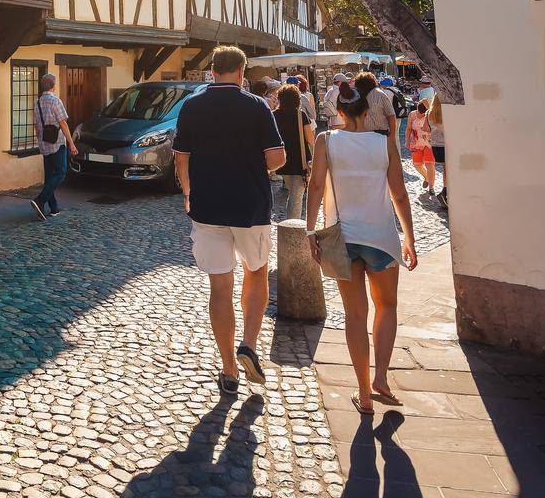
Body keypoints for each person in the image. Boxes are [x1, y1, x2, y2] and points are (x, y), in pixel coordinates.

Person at [174, 44, 286, 398]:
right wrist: (251, 166)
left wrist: (190, 192)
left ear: (212, 70)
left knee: (219, 288)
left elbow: (181, 159)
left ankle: (228, 369)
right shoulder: (256, 106)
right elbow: (278, 157)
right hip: (250, 206)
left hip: (207, 207)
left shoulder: (192, 106)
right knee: (255, 272)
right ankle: (249, 345)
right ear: (241, 71)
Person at [304, 77, 417, 415]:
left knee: (355, 315)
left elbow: (316, 187)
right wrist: (409, 238)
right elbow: (399, 194)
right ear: (367, 110)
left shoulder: (326, 141)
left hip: (343, 238)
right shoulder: (384, 143)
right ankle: (381, 378)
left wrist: (311, 232)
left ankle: (364, 392)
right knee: (388, 307)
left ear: (338, 111)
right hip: (380, 236)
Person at [31, 72, 78, 220]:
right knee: (61, 173)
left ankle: (54, 207)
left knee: (50, 176)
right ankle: (40, 200)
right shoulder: (55, 101)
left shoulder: (37, 103)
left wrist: (40, 141)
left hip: (44, 143)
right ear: (53, 86)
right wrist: (71, 143)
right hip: (57, 143)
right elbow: (63, 123)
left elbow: (36, 126)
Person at [272, 84, 315, 220]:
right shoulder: (300, 115)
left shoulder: (274, 115)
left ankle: (291, 225)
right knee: (296, 198)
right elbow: (310, 139)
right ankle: (293, 229)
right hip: (300, 162)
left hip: (282, 160)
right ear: (297, 99)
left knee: (293, 192)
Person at [405, 101, 436, 194]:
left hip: (428, 143)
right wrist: (407, 141)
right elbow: (409, 128)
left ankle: (431, 187)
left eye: (423, 113)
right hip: (416, 142)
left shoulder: (430, 115)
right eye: (419, 112)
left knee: (429, 164)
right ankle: (427, 177)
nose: (420, 114)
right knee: (417, 164)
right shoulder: (412, 114)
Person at [427, 94, 447, 207]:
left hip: (435, 147)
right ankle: (445, 191)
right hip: (446, 145)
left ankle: (445, 191)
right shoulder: (446, 113)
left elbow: (425, 128)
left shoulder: (429, 113)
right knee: (448, 171)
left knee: (445, 169)